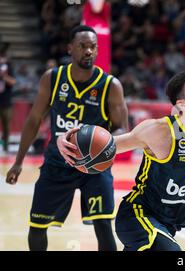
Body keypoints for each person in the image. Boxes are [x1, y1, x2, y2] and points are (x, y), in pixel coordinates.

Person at [58, 68, 185, 251]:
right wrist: (64, 140)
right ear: (181, 104)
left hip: (168, 229)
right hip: (138, 217)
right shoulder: (159, 131)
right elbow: (107, 146)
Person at [5, 25, 129, 251]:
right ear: (70, 48)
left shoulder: (111, 85)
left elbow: (122, 130)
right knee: (37, 226)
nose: (89, 51)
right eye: (83, 46)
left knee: (103, 226)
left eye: (93, 47)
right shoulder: (52, 78)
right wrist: (18, 161)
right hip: (57, 163)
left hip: (94, 167)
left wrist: (102, 140)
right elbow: (33, 120)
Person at [0, 42, 16, 153]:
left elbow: (13, 81)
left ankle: (5, 148)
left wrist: (3, 76)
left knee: (6, 126)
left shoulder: (9, 67)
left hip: (6, 101)